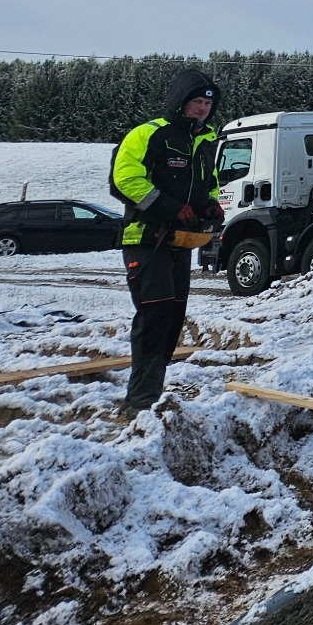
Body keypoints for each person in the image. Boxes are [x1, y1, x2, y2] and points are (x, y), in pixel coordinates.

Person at [110, 68, 224, 411]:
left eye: (208, 103)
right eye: (196, 101)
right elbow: (124, 179)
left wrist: (211, 204)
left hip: (180, 242)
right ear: (180, 100)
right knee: (154, 315)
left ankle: (151, 395)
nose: (202, 108)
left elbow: (210, 183)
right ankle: (139, 402)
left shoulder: (205, 142)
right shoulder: (149, 134)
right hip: (146, 238)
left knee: (173, 318)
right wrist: (168, 207)